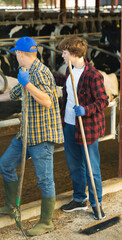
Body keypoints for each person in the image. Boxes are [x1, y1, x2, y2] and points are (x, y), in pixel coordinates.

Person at [0, 36, 64, 236]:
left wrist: (28, 85)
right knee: (5, 165)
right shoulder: (25, 72)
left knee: (45, 180)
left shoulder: (41, 73)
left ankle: (46, 222)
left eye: (15, 53)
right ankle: (11, 206)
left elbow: (47, 101)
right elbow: (15, 93)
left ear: (20, 53)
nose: (15, 56)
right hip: (26, 133)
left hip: (42, 135)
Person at [54, 37, 109, 220]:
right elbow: (65, 84)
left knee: (92, 168)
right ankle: (79, 199)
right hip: (69, 125)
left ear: (75, 54)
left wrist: (86, 109)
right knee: (74, 166)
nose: (62, 55)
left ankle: (96, 203)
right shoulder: (70, 71)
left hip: (87, 128)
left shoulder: (93, 75)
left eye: (65, 52)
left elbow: (103, 100)